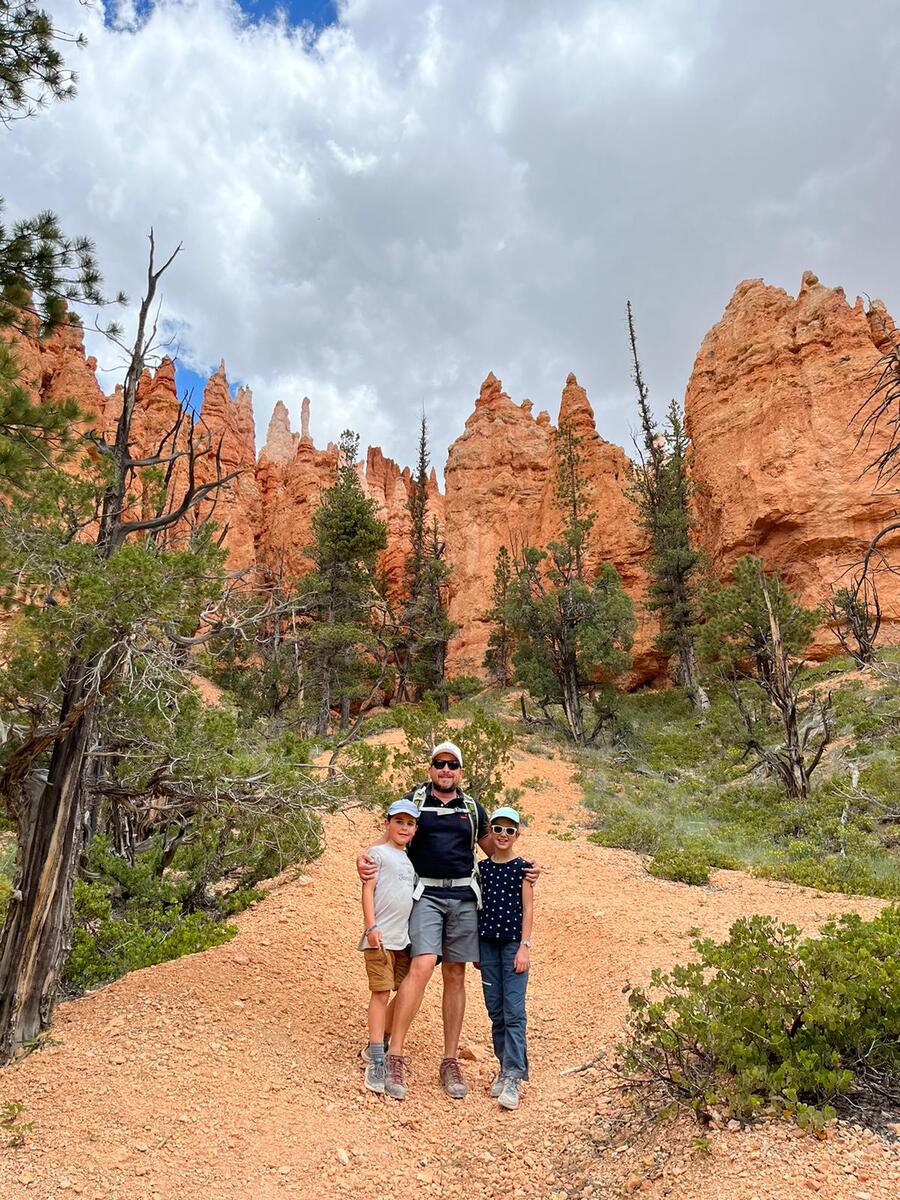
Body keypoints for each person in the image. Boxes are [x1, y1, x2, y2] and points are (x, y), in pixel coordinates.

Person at [357, 741, 497, 1102]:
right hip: (426, 896)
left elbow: (494, 850)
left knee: (455, 973)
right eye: (440, 764)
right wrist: (367, 858)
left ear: (461, 772)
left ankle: (450, 1060)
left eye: (452, 765)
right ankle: (395, 1054)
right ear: (430, 768)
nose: (446, 770)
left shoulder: (472, 808)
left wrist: (524, 865)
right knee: (421, 966)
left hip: (464, 897)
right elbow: (393, 830)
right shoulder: (416, 801)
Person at [358, 798, 419, 1094]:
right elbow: (367, 889)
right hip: (380, 938)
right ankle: (377, 1057)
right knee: (380, 993)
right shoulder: (377, 854)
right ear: (387, 824)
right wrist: (371, 926)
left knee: (406, 989)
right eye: (399, 822)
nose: (404, 828)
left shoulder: (409, 860)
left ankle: (377, 1045)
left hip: (402, 940)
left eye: (409, 823)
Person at [477, 806, 532, 1111]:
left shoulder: (523, 869)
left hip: (512, 946)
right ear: (491, 833)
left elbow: (528, 909)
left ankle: (513, 1076)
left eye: (509, 830)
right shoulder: (482, 870)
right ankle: (504, 1067)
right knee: (496, 1010)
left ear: (517, 835)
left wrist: (525, 946)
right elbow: (476, 909)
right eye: (498, 829)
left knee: (514, 1011)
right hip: (487, 946)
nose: (503, 835)